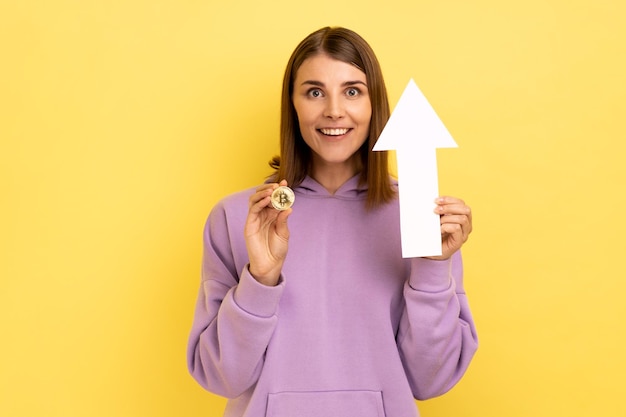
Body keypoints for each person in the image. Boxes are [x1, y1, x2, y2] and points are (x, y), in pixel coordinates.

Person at [187, 26, 478, 417]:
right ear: (292, 104)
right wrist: (260, 279)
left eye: (352, 91)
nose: (334, 111)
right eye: (314, 92)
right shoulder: (242, 218)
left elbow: (431, 380)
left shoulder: (421, 217)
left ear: (375, 104)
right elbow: (220, 377)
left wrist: (432, 267)